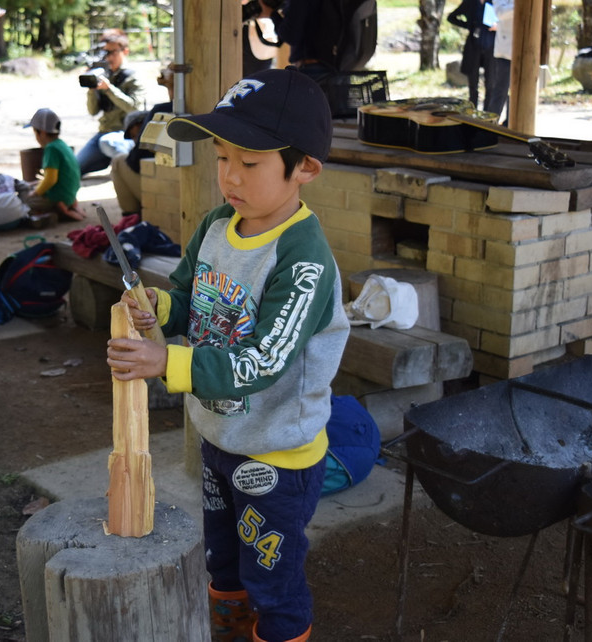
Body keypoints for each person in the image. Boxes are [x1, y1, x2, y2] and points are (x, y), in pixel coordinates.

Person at [106, 68, 350, 642]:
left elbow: (263, 361)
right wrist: (158, 310)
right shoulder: (219, 225)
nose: (230, 177)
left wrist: (166, 363)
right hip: (219, 437)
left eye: (250, 162)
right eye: (222, 157)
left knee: (273, 578)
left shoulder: (303, 260)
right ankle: (230, 631)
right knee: (225, 560)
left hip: (277, 455)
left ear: (305, 168)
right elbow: (192, 299)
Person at [76, 29, 146, 176]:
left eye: (112, 52)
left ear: (125, 51)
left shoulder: (133, 77)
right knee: (74, 168)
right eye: (105, 52)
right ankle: (114, 163)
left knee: (108, 142)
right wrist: (92, 89)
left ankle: (130, 171)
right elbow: (93, 111)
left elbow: (134, 108)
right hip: (103, 134)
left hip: (125, 134)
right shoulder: (102, 73)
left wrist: (109, 89)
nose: (108, 57)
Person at [109, 67, 175, 216]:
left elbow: (134, 160)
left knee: (119, 161)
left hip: (170, 195)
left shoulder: (161, 111)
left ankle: (131, 218)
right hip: (176, 188)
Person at [25, 108, 86, 220]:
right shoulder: (62, 145)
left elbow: (50, 180)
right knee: (32, 187)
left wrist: (35, 193)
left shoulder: (51, 148)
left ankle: (56, 210)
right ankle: (70, 205)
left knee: (24, 200)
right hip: (70, 195)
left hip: (58, 197)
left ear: (41, 132)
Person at [448, 0, 497, 110]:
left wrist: (497, 26)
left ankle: (487, 114)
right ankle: (473, 112)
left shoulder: (495, 2)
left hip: (491, 47)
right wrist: (469, 25)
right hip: (474, 46)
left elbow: (506, 19)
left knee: (491, 84)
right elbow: (451, 17)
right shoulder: (470, 2)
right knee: (473, 84)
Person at [483, 0, 513, 122]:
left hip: (526, 51)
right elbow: (501, 13)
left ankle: (510, 123)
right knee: (500, 91)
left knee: (518, 94)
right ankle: (490, 126)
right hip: (505, 52)